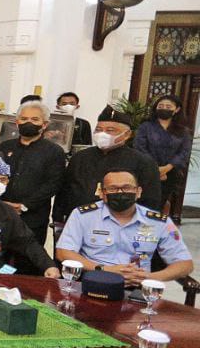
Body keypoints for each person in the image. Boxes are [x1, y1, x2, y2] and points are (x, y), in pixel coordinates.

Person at [56, 168, 193, 286]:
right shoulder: (83, 215)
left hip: (138, 287)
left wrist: (147, 278)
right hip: (94, 282)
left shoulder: (159, 222)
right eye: (113, 189)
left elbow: (185, 264)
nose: (120, 192)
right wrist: (105, 270)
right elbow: (63, 252)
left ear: (138, 192)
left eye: (127, 187)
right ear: (102, 193)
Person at [55, 105, 162, 222]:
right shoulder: (80, 157)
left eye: (110, 130)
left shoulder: (143, 162)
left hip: (121, 223)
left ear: (127, 135)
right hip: (79, 221)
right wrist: (58, 219)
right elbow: (64, 192)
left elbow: (151, 200)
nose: (102, 134)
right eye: (98, 130)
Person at [0, 100, 66, 245]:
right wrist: (1, 203)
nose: (28, 123)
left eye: (35, 119)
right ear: (17, 123)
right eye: (24, 119)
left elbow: (53, 184)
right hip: (1, 213)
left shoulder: (54, 151)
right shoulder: (4, 147)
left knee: (30, 255)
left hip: (33, 218)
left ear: (44, 124)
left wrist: (24, 205)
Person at [134, 94, 191, 219]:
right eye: (161, 106)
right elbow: (140, 147)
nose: (164, 108)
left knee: (160, 203)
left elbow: (184, 152)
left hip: (170, 173)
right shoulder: (146, 126)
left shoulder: (183, 130)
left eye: (168, 106)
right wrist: (156, 169)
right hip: (146, 171)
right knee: (144, 203)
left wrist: (167, 168)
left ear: (176, 109)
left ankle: (154, 228)